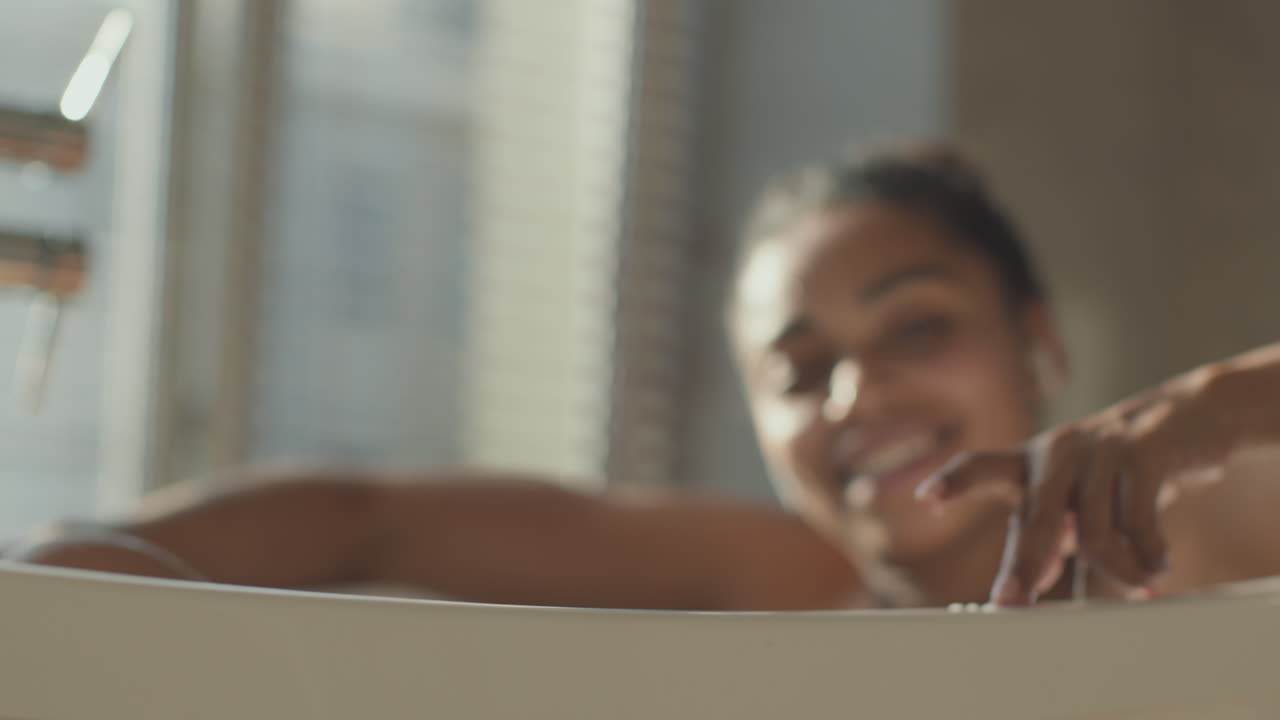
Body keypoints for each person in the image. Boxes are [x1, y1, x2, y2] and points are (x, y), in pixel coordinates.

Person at [7, 142, 1280, 610]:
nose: (855, 401)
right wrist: (98, 564)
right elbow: (368, 522)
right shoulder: (790, 584)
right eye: (798, 372)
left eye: (916, 330)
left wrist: (1209, 411)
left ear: (1039, 346)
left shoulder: (1190, 523)